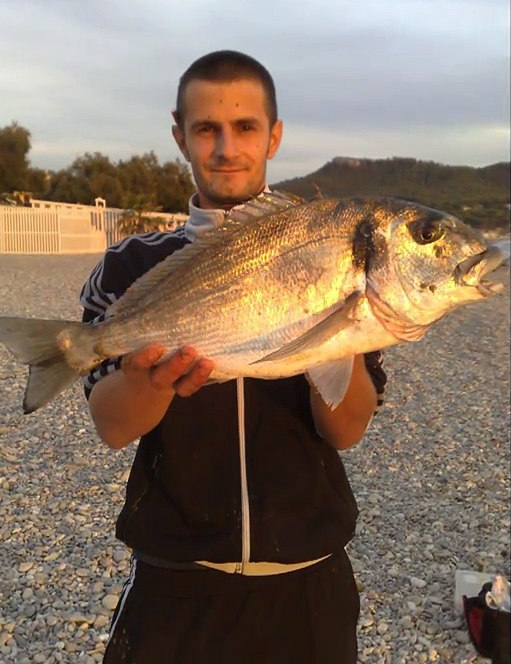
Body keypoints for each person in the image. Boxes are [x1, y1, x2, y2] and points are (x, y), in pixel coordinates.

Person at [78, 50, 389, 664]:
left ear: (274, 135)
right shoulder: (129, 267)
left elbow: (346, 429)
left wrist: (340, 325)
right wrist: (154, 380)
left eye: (245, 127)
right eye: (206, 129)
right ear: (180, 136)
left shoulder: (332, 248)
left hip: (311, 578)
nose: (226, 147)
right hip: (177, 578)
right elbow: (114, 427)